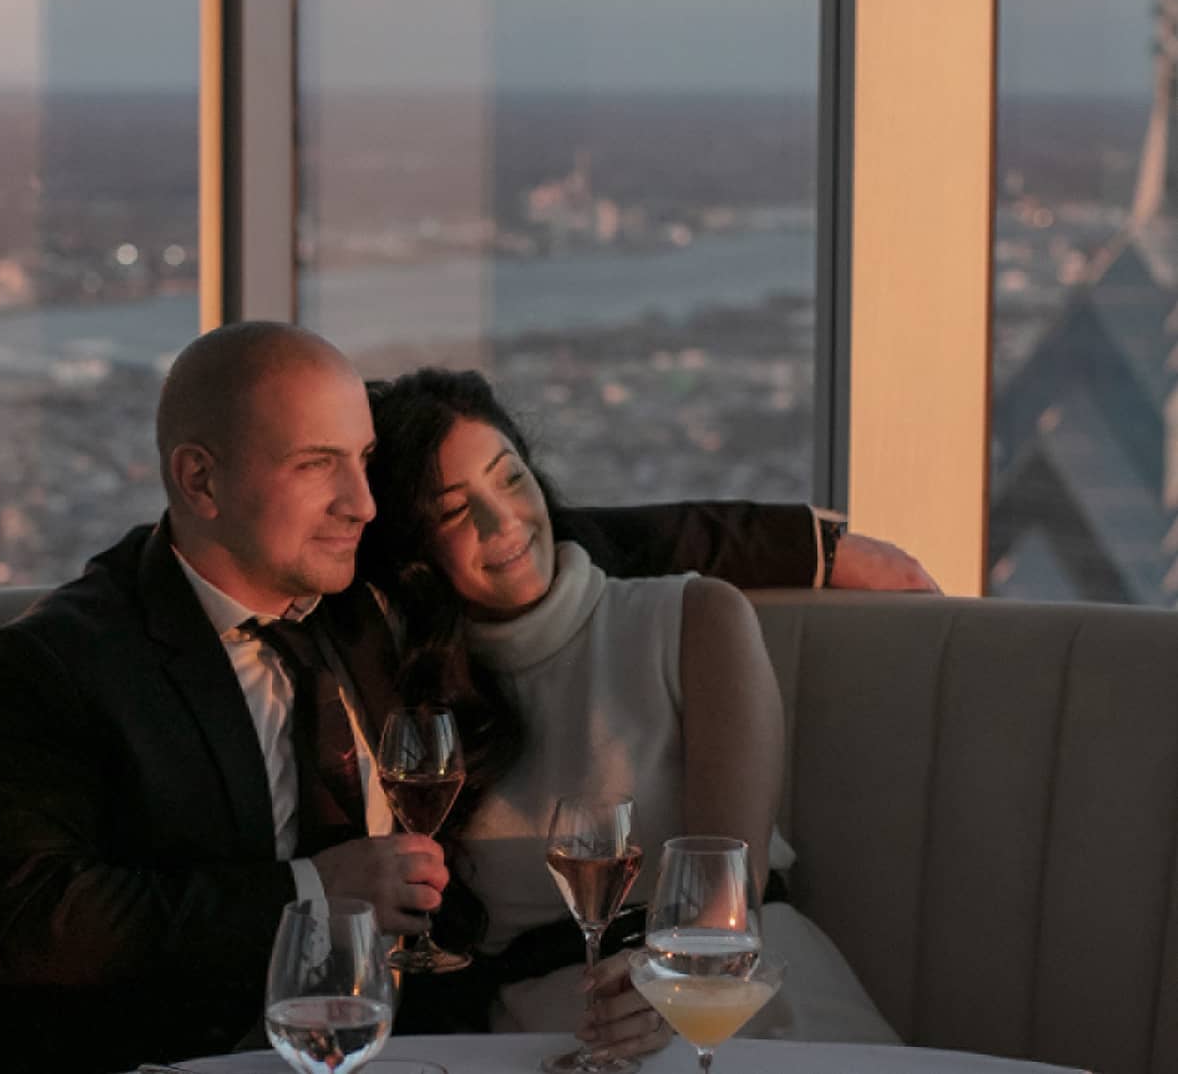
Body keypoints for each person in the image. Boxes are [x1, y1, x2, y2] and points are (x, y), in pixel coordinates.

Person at [0, 323, 919, 1073]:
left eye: (362, 465)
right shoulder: (54, 668)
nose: (359, 502)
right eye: (318, 467)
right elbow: (32, 922)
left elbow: (544, 537)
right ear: (200, 480)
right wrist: (315, 894)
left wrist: (814, 543)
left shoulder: (353, 588)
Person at [357, 367, 900, 1059]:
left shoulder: (694, 621)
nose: (504, 522)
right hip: (545, 1035)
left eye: (511, 478)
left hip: (729, 1000)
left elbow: (732, 880)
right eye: (456, 511)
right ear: (417, 551)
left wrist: (672, 986)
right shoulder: (418, 693)